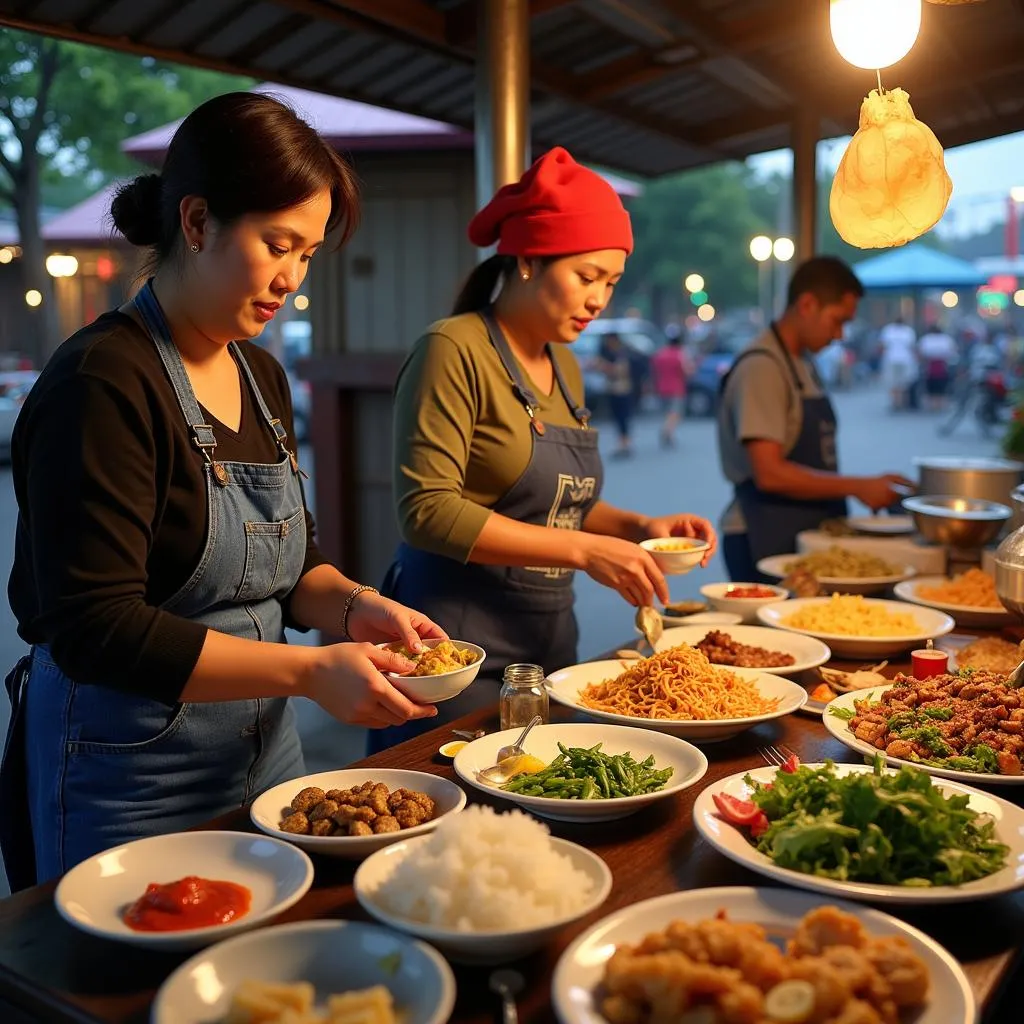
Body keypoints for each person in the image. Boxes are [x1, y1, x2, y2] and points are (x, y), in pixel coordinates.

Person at [0, 93, 444, 891]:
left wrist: (355, 607)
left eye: (308, 254)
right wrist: (310, 674)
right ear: (198, 223)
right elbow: (96, 628)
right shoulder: (103, 381)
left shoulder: (259, 371)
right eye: (278, 244)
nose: (292, 279)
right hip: (128, 776)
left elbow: (296, 564)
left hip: (266, 756)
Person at [373, 147, 717, 751]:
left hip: (546, 650)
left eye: (610, 282)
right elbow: (425, 510)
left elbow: (559, 504)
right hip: (453, 656)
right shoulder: (453, 350)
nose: (599, 300)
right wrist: (585, 551)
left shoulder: (564, 363)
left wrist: (640, 527)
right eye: (586, 277)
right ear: (529, 258)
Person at [716, 257, 913, 583]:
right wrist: (859, 486)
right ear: (807, 304)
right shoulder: (762, 367)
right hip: (762, 536)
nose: (839, 335)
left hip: (802, 531)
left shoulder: (802, 362)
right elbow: (769, 473)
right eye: (837, 321)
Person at [597, 333, 635, 457]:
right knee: (617, 417)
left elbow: (620, 370)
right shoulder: (607, 354)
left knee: (623, 417)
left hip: (623, 389)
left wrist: (607, 367)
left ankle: (625, 443)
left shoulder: (622, 353)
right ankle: (623, 442)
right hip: (612, 389)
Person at [651, 333, 691, 448]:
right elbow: (686, 371)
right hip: (677, 388)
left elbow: (654, 371)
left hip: (662, 387)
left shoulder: (660, 354)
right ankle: (666, 431)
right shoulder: (680, 354)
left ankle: (670, 435)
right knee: (675, 413)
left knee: (668, 412)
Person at [878, 315, 918, 411]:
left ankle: (895, 402)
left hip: (891, 359)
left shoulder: (888, 330)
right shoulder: (908, 331)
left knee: (893, 383)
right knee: (903, 383)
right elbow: (912, 347)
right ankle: (902, 402)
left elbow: (882, 346)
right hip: (906, 360)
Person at [917, 326, 958, 411]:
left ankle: (933, 405)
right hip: (941, 366)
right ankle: (940, 404)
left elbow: (920, 352)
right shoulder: (946, 339)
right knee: (941, 386)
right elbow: (953, 351)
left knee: (932, 386)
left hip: (932, 366)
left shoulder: (927, 339)